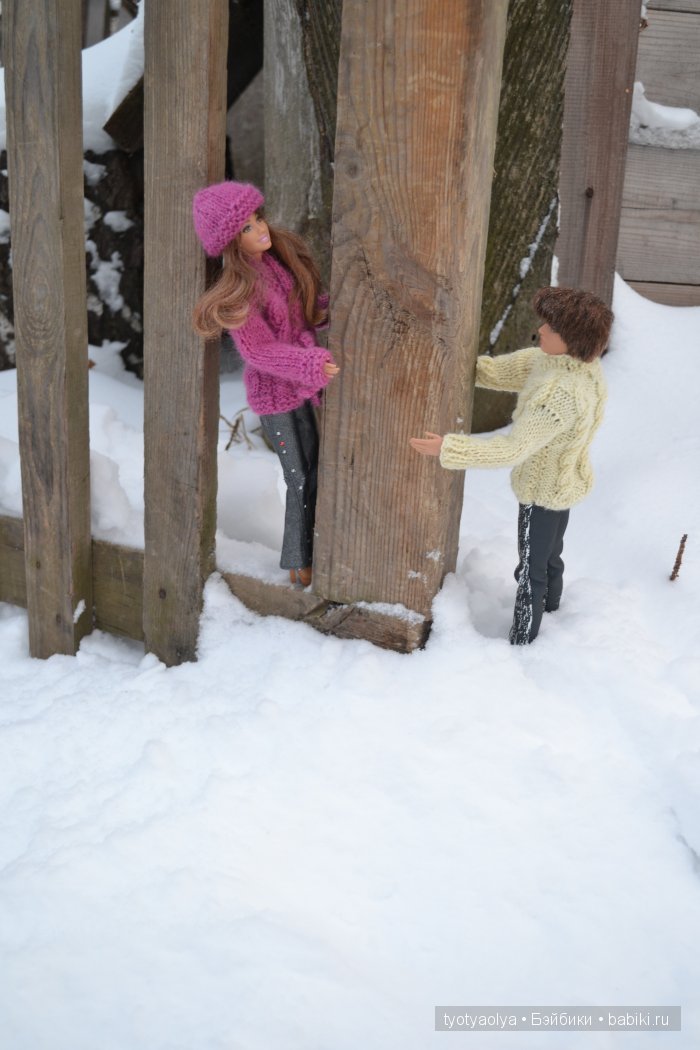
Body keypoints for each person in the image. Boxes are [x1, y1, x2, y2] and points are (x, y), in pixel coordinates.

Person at [410, 286, 612, 644]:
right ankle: (551, 614)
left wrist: (449, 448)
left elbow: (511, 449)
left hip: (542, 491)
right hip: (563, 485)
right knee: (550, 558)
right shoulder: (572, 365)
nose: (542, 332)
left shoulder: (559, 394)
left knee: (531, 568)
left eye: (551, 328)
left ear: (572, 339)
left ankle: (524, 641)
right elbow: (498, 372)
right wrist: (459, 365)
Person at [192, 180, 339, 587]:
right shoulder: (240, 290)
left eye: (258, 218)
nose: (260, 229)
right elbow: (258, 352)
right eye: (245, 228)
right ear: (229, 241)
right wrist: (310, 363)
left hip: (299, 387)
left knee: (314, 471)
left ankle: (311, 552)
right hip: (276, 396)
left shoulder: (276, 265)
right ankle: (297, 561)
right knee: (299, 476)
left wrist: (326, 310)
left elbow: (298, 313)